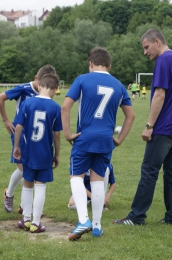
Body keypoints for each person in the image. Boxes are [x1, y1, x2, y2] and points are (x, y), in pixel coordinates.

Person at [113, 29, 172, 226]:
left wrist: (149, 126)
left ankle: (136, 216)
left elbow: (159, 95)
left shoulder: (163, 61)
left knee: (149, 170)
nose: (145, 52)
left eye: (147, 47)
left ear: (157, 42)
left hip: (163, 128)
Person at [61, 46, 135, 240]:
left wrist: (68, 133)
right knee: (97, 180)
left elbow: (65, 107)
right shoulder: (119, 85)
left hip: (84, 136)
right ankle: (96, 226)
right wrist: (119, 139)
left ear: (90, 63)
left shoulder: (82, 79)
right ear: (109, 65)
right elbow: (131, 115)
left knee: (76, 176)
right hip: (105, 139)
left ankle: (83, 219)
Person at [0, 65, 56, 213]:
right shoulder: (23, 89)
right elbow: (0, 98)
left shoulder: (46, 95)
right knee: (23, 168)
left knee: (30, 169)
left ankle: (24, 206)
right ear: (37, 79)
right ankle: (9, 194)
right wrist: (6, 120)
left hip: (36, 137)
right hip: (20, 134)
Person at [13, 73, 62, 233]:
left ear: (39, 85)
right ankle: (36, 222)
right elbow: (57, 134)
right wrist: (57, 154)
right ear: (55, 89)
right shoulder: (55, 107)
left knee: (27, 184)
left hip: (28, 151)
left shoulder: (28, 103)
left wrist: (16, 146)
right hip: (45, 153)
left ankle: (26, 219)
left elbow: (19, 126)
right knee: (40, 186)